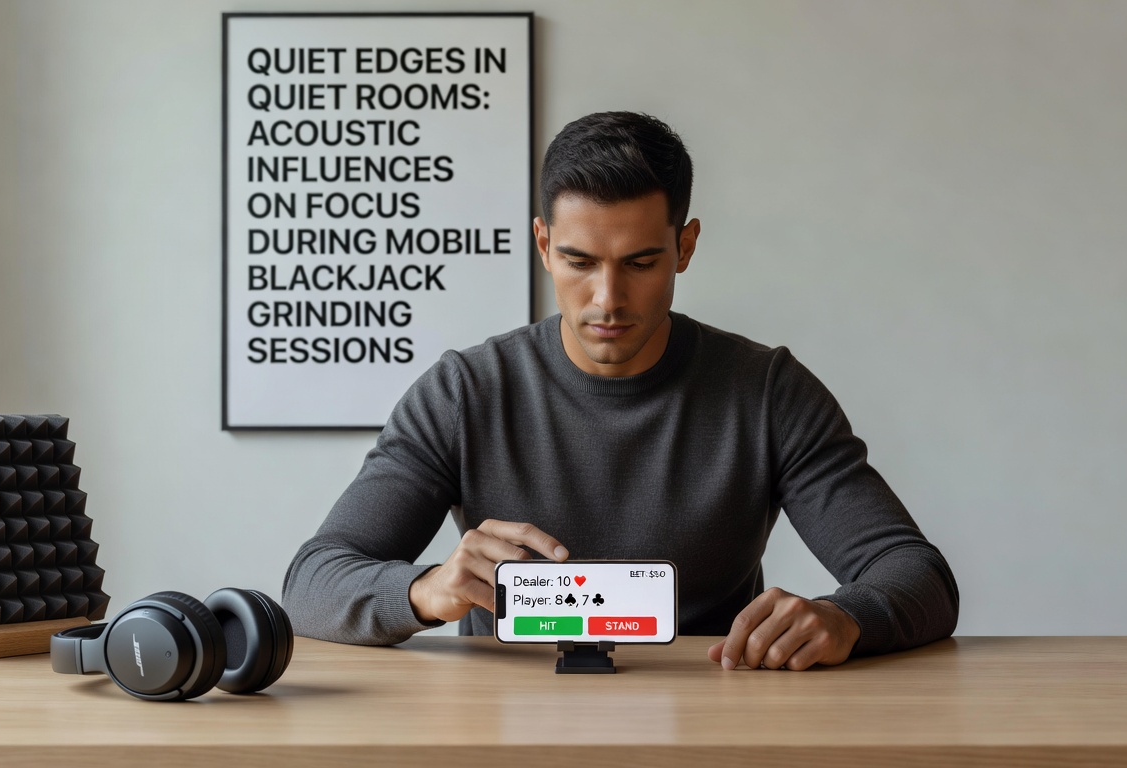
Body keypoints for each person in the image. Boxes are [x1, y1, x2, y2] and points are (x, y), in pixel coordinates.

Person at [282, 111, 958, 671]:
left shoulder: (767, 393)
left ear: (685, 247)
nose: (607, 299)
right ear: (544, 246)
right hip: (502, 727)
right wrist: (425, 590)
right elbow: (312, 582)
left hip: (712, 719)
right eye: (579, 262)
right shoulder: (465, 393)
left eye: (641, 263)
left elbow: (914, 572)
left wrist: (846, 617)